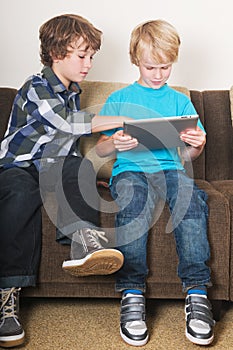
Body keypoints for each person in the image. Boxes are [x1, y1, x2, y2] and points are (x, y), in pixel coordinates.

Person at [0, 14, 131, 348]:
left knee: (77, 167)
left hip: (53, 167)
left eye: (91, 56)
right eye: (82, 55)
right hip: (18, 166)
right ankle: (7, 298)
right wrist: (123, 118)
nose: (88, 64)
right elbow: (68, 123)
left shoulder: (74, 91)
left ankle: (84, 240)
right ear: (57, 54)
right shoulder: (36, 86)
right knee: (19, 195)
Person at [96, 19, 215, 347]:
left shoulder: (179, 101)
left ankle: (197, 292)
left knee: (191, 200)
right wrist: (115, 143)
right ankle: (132, 293)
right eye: (152, 67)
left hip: (171, 171)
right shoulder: (119, 99)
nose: (159, 74)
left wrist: (196, 145)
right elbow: (101, 148)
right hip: (130, 172)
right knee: (133, 204)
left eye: (165, 67)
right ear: (136, 61)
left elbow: (187, 156)